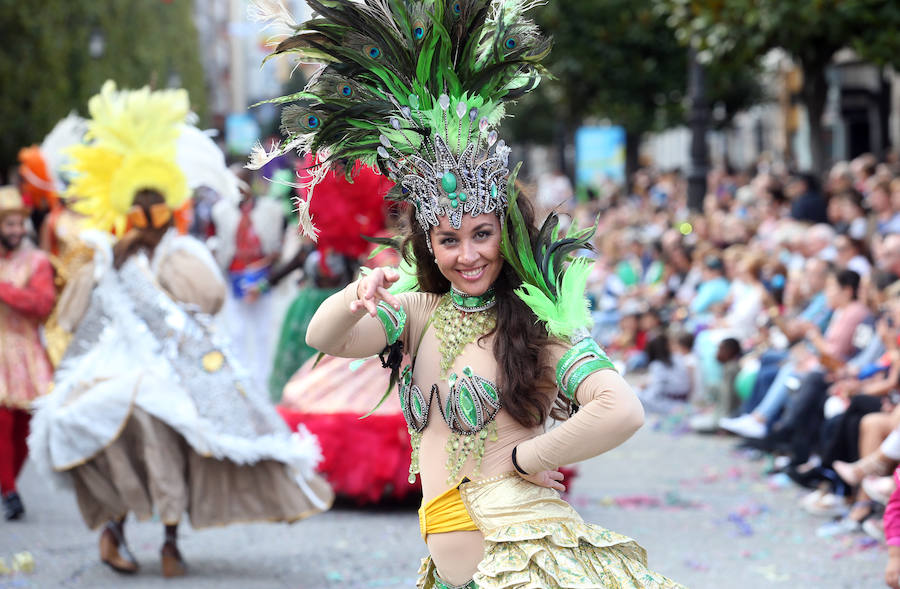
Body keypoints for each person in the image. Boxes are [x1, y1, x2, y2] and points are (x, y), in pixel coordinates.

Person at [249, 2, 683, 586]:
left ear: (507, 233)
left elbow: (622, 409)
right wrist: (360, 292)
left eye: (483, 234)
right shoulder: (419, 312)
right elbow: (322, 336)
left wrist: (533, 457)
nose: (469, 254)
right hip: (457, 566)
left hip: (520, 560)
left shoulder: (536, 321)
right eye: (449, 240)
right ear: (429, 246)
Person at [28, 81, 332, 578]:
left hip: (179, 373)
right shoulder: (109, 256)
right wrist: (106, 267)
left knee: (175, 444)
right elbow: (75, 314)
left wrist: (161, 274)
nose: (146, 217)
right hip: (118, 369)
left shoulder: (180, 253)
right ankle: (115, 531)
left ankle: (166, 540)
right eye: (139, 208)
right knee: (108, 436)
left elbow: (208, 299)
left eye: (153, 207)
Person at [0, 186, 55, 520]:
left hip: (26, 353)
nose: (16, 231)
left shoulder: (37, 262)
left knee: (24, 430)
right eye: (9, 225)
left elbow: (42, 304)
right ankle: (9, 490)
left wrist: (4, 291)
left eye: (19, 224)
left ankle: (9, 484)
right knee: (2, 423)